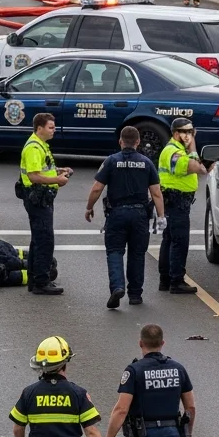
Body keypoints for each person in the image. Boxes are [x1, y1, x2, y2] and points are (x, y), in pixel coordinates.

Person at [85, 125, 165, 308]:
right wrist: (161, 217)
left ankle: (117, 287)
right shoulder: (147, 162)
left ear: (120, 141)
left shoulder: (111, 161)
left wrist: (89, 207)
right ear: (138, 142)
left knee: (114, 251)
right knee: (137, 254)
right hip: (139, 215)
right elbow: (156, 193)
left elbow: (97, 187)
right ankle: (135, 295)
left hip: (117, 214)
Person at [19, 113, 69, 296]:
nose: (54, 130)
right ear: (39, 128)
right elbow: (33, 176)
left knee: (38, 238)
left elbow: (42, 170)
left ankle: (35, 279)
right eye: (51, 127)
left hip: (40, 197)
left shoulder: (41, 145)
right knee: (45, 239)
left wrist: (59, 171)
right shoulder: (34, 147)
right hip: (37, 198)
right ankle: (41, 281)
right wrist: (57, 179)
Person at [157, 118, 204, 295]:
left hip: (174, 199)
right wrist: (192, 147)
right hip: (177, 200)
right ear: (176, 134)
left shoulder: (176, 150)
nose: (189, 136)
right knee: (179, 241)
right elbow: (196, 167)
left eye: (191, 132)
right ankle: (176, 280)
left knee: (169, 239)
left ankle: (166, 280)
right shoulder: (173, 152)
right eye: (186, 132)